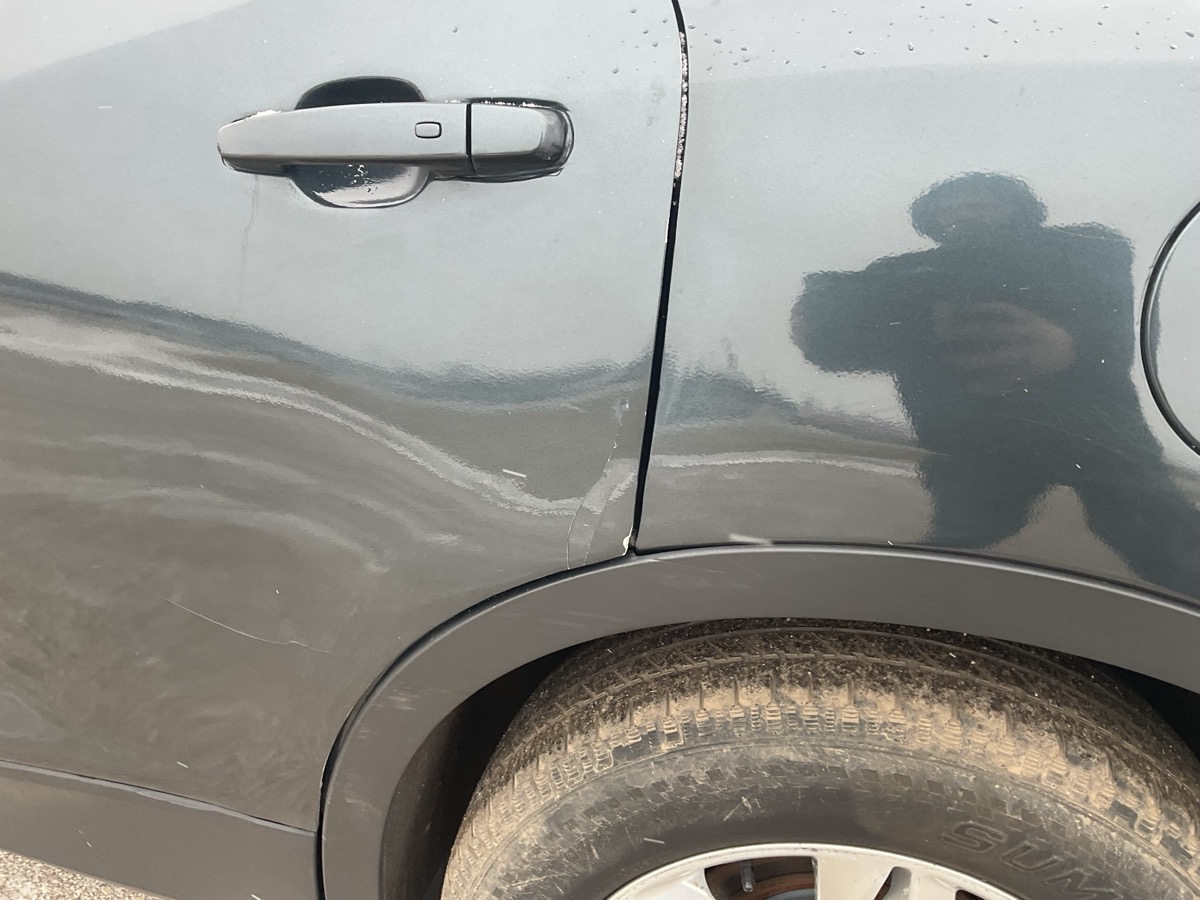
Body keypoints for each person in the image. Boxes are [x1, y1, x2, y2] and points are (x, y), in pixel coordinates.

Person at [794, 172, 1198, 593]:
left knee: (1160, 537)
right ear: (932, 221)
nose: (968, 212)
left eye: (983, 201)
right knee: (955, 551)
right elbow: (824, 334)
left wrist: (1071, 344)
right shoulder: (906, 275)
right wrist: (929, 322)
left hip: (1094, 434)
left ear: (1021, 208)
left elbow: (1131, 325)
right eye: (953, 206)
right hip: (974, 445)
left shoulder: (1084, 250)